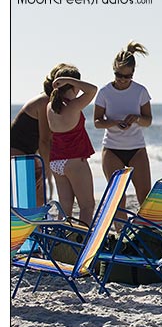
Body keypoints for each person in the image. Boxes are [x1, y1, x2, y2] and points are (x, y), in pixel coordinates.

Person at [94, 41, 152, 211]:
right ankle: (120, 233)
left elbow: (148, 121)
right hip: (112, 149)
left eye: (127, 76)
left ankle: (149, 232)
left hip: (137, 148)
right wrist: (113, 122)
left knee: (144, 196)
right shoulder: (105, 92)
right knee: (118, 198)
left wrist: (136, 119)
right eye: (118, 75)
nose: (122, 80)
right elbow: (97, 122)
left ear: (133, 73)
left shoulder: (140, 91)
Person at [10, 63, 77, 204]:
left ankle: (36, 225)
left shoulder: (51, 102)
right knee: (28, 198)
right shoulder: (44, 102)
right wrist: (48, 169)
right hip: (16, 152)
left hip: (27, 153)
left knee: (37, 197)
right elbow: (45, 141)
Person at [46, 74, 98, 224]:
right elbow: (93, 90)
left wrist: (66, 82)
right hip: (73, 160)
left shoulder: (50, 106)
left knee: (64, 209)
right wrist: (70, 80)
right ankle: (82, 244)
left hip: (56, 161)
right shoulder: (73, 105)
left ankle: (62, 243)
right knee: (87, 206)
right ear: (74, 85)